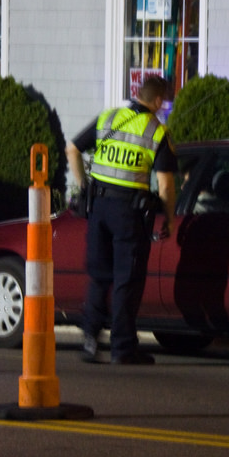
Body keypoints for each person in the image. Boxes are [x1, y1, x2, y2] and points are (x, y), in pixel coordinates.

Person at [65, 76, 177, 364]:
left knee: (99, 275)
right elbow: (165, 186)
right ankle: (123, 347)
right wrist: (168, 218)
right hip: (129, 213)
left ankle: (90, 339)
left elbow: (72, 149)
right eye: (162, 102)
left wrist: (84, 186)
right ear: (156, 101)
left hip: (98, 208)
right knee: (127, 279)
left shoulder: (108, 118)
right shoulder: (156, 131)